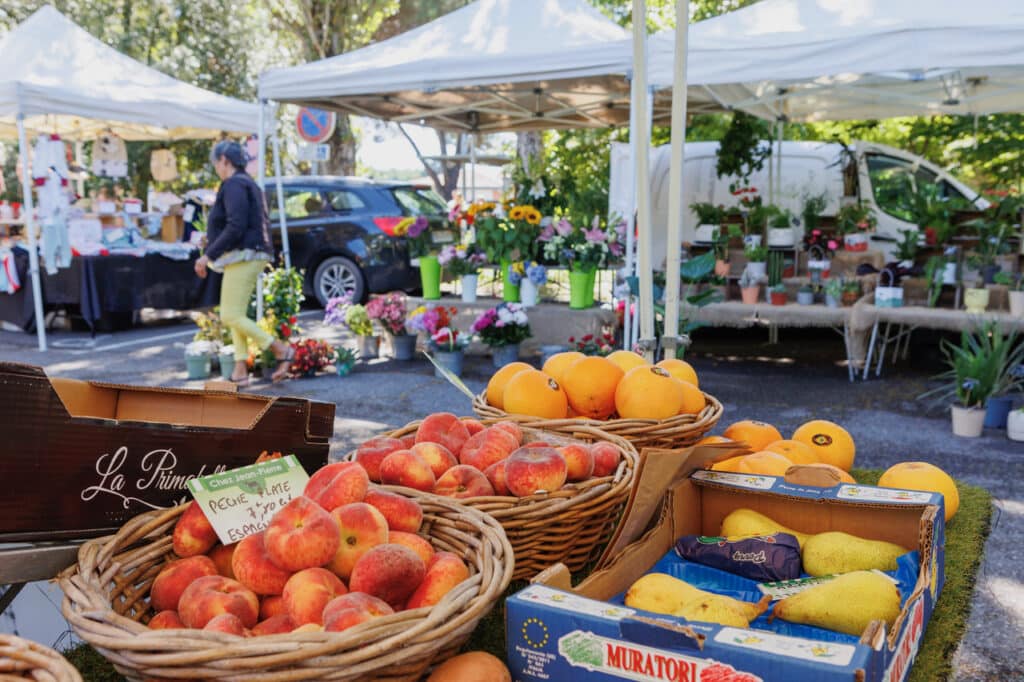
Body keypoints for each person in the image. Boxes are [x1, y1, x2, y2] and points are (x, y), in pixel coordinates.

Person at [194, 141, 293, 384]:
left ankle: (280, 349)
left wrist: (208, 255)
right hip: (249, 254)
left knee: (229, 314)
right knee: (235, 313)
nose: (216, 167)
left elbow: (235, 226)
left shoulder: (234, 184)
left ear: (224, 160)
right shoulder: (247, 183)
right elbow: (241, 223)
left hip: (245, 255)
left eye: (216, 162)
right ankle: (240, 370)